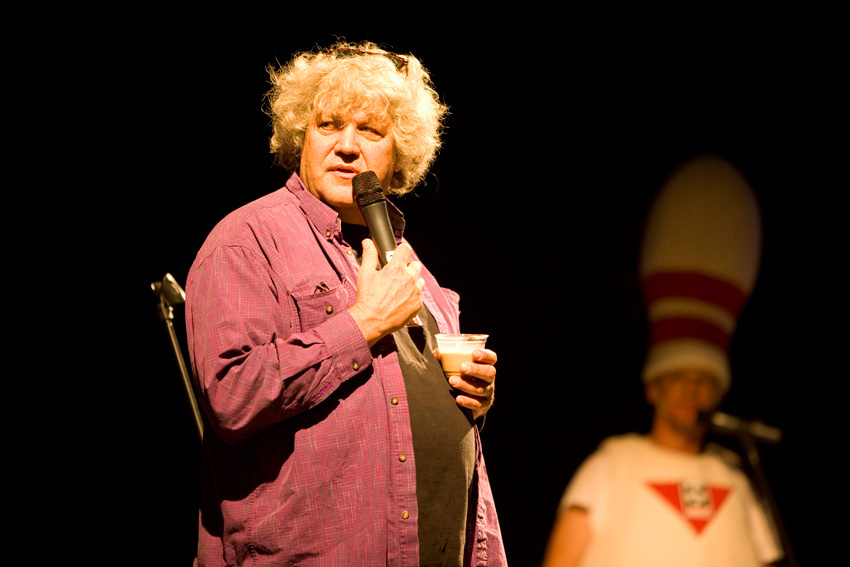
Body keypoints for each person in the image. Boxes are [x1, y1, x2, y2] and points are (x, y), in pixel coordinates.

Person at [185, 41, 507, 566]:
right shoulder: (248, 239)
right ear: (300, 136)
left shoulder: (411, 264)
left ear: (399, 152)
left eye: (371, 131)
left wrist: (468, 400)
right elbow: (232, 396)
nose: (347, 146)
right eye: (328, 125)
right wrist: (362, 323)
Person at [542, 156, 783, 567]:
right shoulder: (613, 463)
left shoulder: (737, 479)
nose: (693, 389)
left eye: (704, 379)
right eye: (679, 377)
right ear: (652, 387)